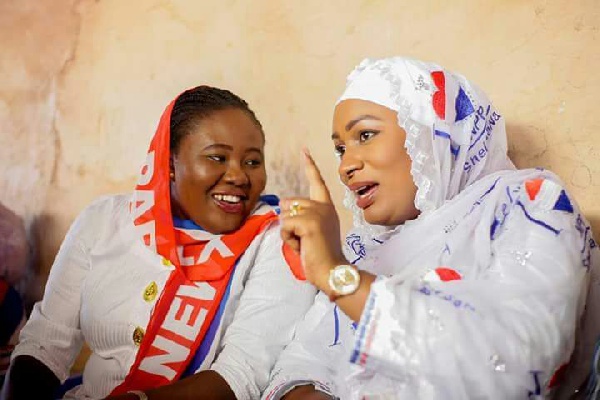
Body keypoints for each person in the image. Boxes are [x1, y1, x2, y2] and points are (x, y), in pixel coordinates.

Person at [263, 57, 600, 399]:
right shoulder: (363, 249)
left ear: (427, 133)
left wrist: (338, 276)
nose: (345, 166)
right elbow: (302, 363)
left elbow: (515, 364)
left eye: (365, 135)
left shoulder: (529, 204)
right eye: (340, 149)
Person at [1, 86, 315, 400]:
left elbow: (241, 375)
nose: (238, 176)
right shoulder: (105, 220)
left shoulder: (278, 239)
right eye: (217, 157)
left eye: (252, 162)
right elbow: (46, 343)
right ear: (169, 163)